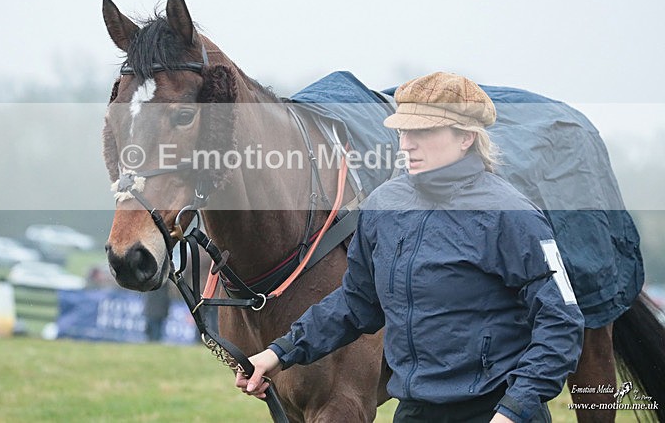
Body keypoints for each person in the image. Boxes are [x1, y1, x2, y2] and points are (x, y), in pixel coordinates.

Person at [235, 72, 585, 423]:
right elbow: (356, 302)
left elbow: (561, 322)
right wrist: (278, 353)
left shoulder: (513, 217)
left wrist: (514, 410)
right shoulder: (382, 207)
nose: (406, 145)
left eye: (422, 132)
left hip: (495, 412)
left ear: (465, 137)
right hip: (415, 410)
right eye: (403, 131)